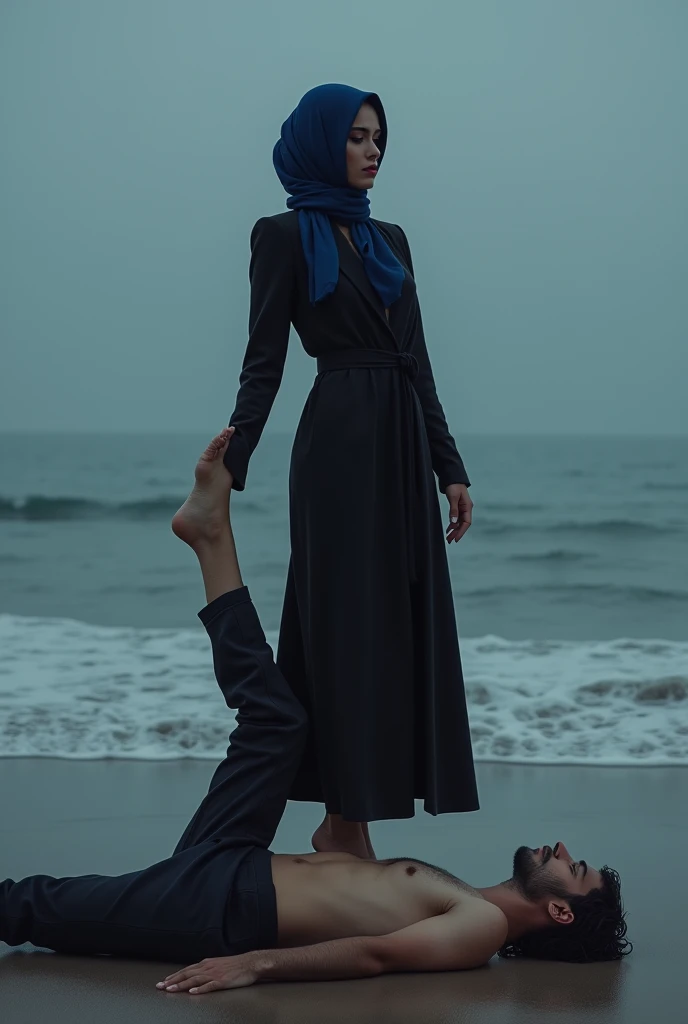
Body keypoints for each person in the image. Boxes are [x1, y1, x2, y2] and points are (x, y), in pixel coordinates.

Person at [0, 431, 631, 994]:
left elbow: (376, 955)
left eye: (573, 869)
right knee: (278, 721)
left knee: (31, 906)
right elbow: (343, 875)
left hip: (217, 906)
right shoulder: (465, 897)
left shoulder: (480, 929)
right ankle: (208, 533)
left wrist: (253, 964)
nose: (561, 849)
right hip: (236, 858)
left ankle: (211, 537)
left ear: (561, 913)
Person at [225, 83, 479, 859]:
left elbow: (420, 361)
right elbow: (263, 363)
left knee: (396, 630)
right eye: (359, 137)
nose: (373, 150)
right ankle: (348, 825)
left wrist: (450, 467)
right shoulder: (278, 236)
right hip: (336, 444)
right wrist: (228, 468)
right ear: (320, 142)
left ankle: (342, 828)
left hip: (400, 440)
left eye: (380, 139)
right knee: (344, 632)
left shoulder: (391, 239)